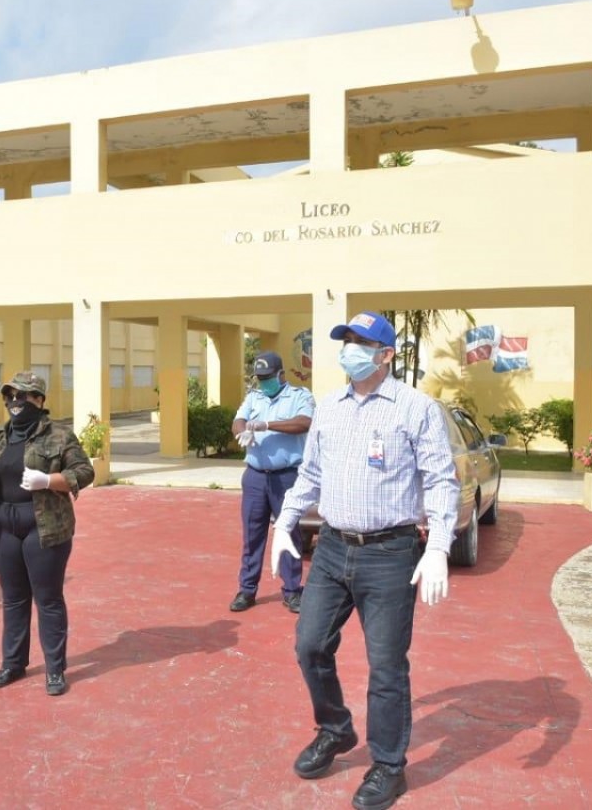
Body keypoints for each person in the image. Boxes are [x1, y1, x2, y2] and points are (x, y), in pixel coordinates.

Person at [268, 312, 459, 810]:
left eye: (360, 343)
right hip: (332, 548)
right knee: (309, 646)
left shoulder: (415, 409)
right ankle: (335, 728)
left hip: (391, 553)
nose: (349, 350)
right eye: (345, 341)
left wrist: (438, 545)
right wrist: (284, 524)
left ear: (386, 355)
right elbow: (309, 474)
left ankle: (389, 766)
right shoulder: (329, 408)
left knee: (386, 667)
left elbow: (441, 480)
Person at [0, 371, 95, 696]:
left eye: (23, 396)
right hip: (4, 526)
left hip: (45, 526)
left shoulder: (59, 436)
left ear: (39, 400)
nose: (15, 402)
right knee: (13, 599)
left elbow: (84, 471)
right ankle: (13, 663)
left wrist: (49, 481)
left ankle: (54, 669)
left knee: (48, 599)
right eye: (10, 396)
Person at [228, 350, 314, 614]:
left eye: (268, 377)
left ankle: (292, 590)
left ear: (280, 374)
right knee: (252, 535)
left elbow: (304, 422)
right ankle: (247, 589)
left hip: (286, 476)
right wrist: (242, 431)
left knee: (289, 532)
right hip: (255, 477)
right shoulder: (254, 397)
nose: (264, 382)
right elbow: (238, 420)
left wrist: (267, 425)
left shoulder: (300, 396)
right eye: (260, 378)